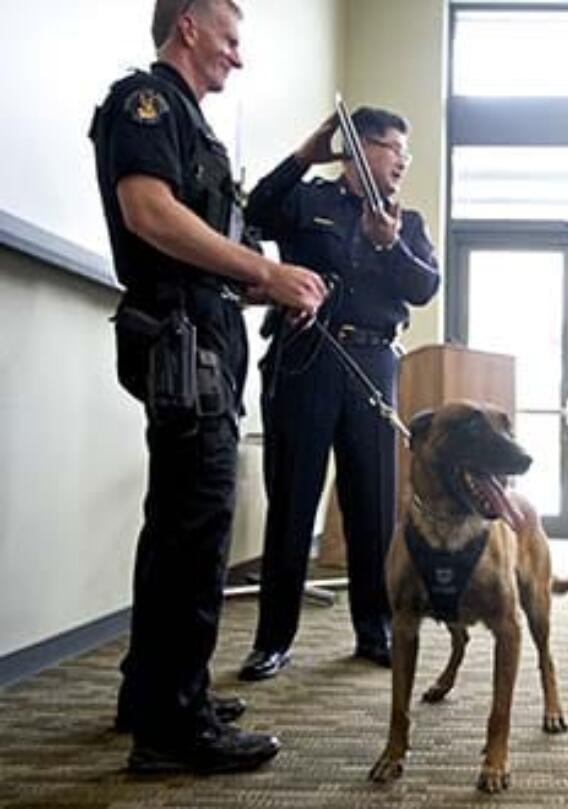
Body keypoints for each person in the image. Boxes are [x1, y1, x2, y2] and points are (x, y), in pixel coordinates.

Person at [91, 0, 327, 773]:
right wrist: (264, 269)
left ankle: (156, 689)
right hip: (182, 346)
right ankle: (174, 728)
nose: (240, 56)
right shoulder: (147, 102)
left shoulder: (197, 128)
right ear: (188, 24)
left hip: (208, 340)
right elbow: (149, 213)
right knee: (195, 535)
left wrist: (273, 286)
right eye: (230, 38)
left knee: (174, 530)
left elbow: (209, 250)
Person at [237, 108, 441, 681]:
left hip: (373, 362)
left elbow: (424, 286)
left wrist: (389, 245)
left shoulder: (409, 223)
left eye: (407, 151)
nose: (401, 160)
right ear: (357, 149)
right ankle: (272, 640)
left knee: (371, 507)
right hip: (305, 358)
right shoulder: (309, 201)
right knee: (293, 505)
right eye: (391, 147)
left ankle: (373, 630)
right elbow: (255, 210)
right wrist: (306, 152)